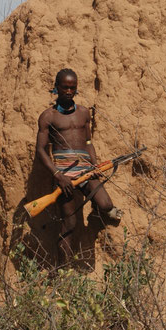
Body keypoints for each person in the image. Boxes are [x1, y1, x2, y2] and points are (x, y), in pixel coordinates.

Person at [36, 68, 122, 264]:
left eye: (72, 88)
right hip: (63, 173)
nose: (68, 91)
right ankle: (63, 272)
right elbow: (41, 150)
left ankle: (94, 222)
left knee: (106, 204)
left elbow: (89, 142)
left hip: (86, 168)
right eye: (64, 87)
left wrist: (95, 165)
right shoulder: (48, 117)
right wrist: (58, 175)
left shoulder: (84, 113)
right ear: (56, 88)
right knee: (70, 224)